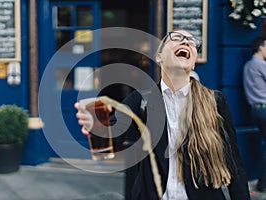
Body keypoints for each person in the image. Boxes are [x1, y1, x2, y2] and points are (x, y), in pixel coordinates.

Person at [75, 29, 250, 200]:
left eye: (192, 42)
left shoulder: (215, 101)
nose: (186, 42)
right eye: (176, 37)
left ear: (194, 62)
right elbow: (117, 130)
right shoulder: (140, 100)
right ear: (159, 57)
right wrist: (98, 127)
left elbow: (233, 161)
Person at [243, 36, 266, 192]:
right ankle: (263, 183)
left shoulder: (248, 65)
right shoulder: (260, 64)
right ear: (261, 47)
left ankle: (262, 182)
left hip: (256, 110)